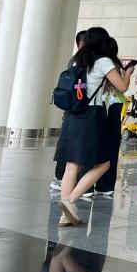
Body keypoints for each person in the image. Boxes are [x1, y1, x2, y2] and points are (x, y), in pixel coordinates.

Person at [53, 26, 128, 226]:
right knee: (103, 164)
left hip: (72, 115)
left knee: (71, 166)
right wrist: (127, 73)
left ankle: (66, 215)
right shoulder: (103, 61)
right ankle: (70, 201)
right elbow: (122, 87)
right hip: (91, 116)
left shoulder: (76, 59)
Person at [51, 29, 87, 192]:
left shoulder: (75, 59)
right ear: (81, 43)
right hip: (75, 107)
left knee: (67, 143)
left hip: (71, 107)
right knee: (68, 144)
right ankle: (59, 178)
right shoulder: (79, 61)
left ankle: (60, 178)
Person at [92, 37, 128, 197]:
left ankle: (88, 184)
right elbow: (123, 87)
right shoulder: (112, 65)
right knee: (112, 146)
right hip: (112, 106)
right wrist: (128, 74)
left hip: (100, 107)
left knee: (97, 145)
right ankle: (105, 185)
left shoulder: (95, 63)